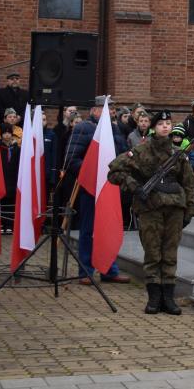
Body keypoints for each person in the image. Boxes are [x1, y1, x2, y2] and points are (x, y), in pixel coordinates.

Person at [107, 111, 194, 315]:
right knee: (153, 253)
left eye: (168, 123)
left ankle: (168, 297)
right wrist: (134, 186)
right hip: (150, 208)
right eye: (161, 123)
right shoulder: (140, 150)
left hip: (175, 208)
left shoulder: (178, 153)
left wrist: (190, 209)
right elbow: (114, 171)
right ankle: (154, 297)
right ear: (153, 127)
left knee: (170, 253)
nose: (165, 126)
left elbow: (189, 183)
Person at [61, 96, 131, 285]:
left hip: (111, 187)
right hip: (90, 188)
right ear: (94, 110)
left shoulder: (115, 129)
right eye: (106, 108)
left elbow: (123, 156)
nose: (111, 112)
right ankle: (86, 270)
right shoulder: (84, 128)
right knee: (89, 230)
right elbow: (71, 159)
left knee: (109, 227)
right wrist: (95, 172)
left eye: (113, 109)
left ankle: (109, 269)